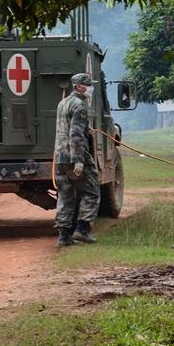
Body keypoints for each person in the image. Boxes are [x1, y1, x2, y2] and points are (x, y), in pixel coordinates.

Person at [53, 73, 101, 246]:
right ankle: (82, 229)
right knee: (92, 191)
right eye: (88, 85)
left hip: (60, 157)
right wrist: (79, 161)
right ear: (79, 86)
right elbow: (75, 134)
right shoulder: (80, 105)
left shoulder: (63, 102)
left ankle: (64, 236)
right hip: (75, 156)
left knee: (65, 195)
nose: (90, 88)